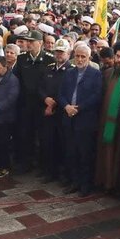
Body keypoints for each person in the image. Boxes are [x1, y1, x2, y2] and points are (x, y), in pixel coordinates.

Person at [58, 44, 103, 197]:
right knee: (71, 153)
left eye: (83, 56)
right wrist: (66, 107)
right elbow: (61, 93)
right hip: (69, 118)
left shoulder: (95, 74)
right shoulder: (69, 73)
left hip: (85, 120)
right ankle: (74, 182)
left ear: (89, 58)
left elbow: (96, 96)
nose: (80, 59)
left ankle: (85, 185)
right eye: (77, 56)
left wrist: (79, 108)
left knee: (85, 154)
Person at [95, 41, 120, 194]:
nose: (119, 60)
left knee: (119, 155)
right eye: (117, 56)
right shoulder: (107, 73)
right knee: (104, 151)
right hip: (105, 121)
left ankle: (117, 186)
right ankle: (104, 181)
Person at [12, 30, 55, 174]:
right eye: (27, 41)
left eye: (32, 41)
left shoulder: (50, 59)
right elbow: (16, 80)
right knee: (25, 134)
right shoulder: (22, 58)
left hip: (42, 104)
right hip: (25, 103)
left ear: (40, 43)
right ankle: (26, 163)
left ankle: (43, 166)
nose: (28, 44)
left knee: (43, 136)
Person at [38, 38, 73, 184]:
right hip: (48, 112)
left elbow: (67, 92)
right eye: (57, 52)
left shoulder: (71, 70)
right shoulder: (49, 68)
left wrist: (53, 104)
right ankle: (50, 172)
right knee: (48, 142)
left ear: (68, 53)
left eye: (61, 52)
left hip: (62, 112)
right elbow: (40, 87)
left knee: (63, 144)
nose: (59, 54)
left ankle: (64, 174)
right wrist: (45, 99)